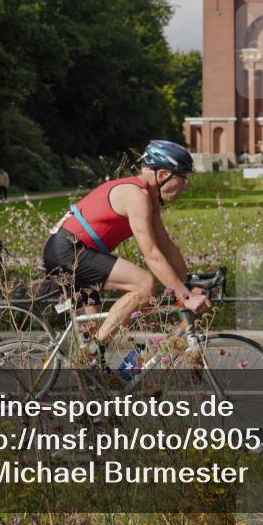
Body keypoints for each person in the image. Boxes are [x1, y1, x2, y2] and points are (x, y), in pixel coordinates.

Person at [42, 140, 211, 366]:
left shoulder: (149, 199)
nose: (184, 186)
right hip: (68, 251)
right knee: (144, 284)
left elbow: (166, 246)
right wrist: (186, 297)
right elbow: (152, 254)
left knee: (93, 340)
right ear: (163, 175)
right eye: (182, 178)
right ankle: (92, 350)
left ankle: (91, 366)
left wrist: (186, 284)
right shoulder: (136, 196)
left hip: (75, 252)